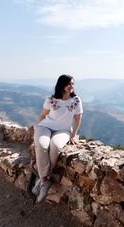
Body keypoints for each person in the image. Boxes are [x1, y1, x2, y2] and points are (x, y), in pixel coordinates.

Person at [32, 74, 83, 202]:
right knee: (42, 145)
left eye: (72, 83)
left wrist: (74, 134)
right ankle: (45, 180)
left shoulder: (76, 100)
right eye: (68, 83)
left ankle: (42, 180)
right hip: (45, 127)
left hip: (63, 130)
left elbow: (78, 119)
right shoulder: (51, 99)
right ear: (61, 84)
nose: (71, 86)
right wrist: (36, 126)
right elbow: (43, 115)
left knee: (55, 146)